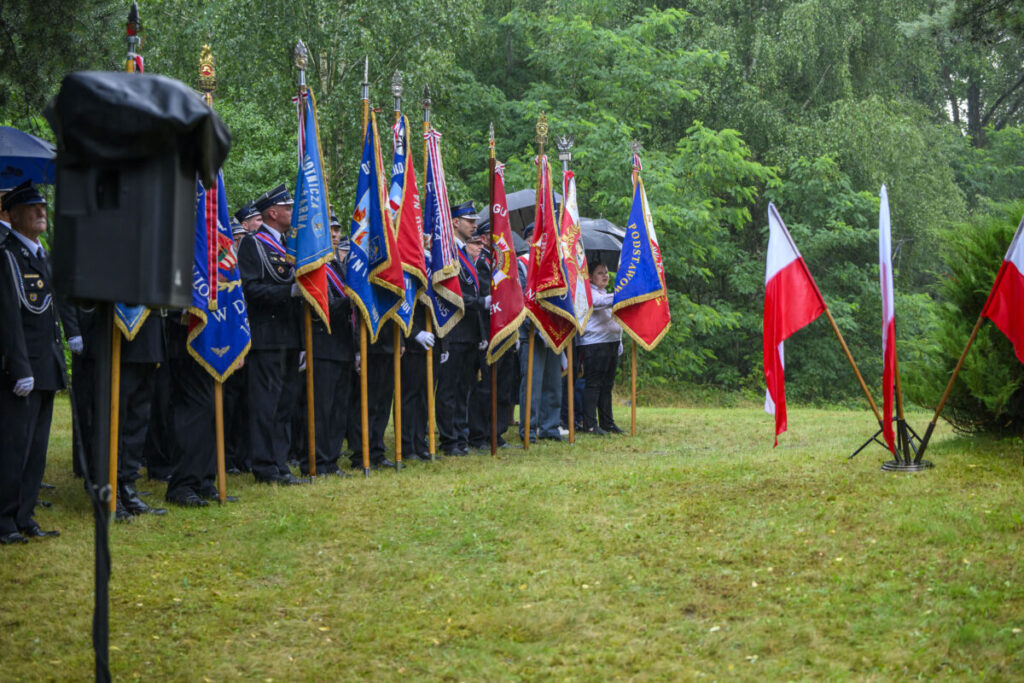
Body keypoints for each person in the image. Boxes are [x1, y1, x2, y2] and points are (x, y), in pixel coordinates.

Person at [0, 180, 64, 543]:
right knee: (14, 448)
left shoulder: (41, 253)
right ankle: (5, 520)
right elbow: (9, 317)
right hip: (22, 368)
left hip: (46, 363)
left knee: (37, 449)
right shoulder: (7, 255)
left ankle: (25, 515)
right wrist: (19, 367)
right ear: (11, 215)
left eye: (42, 206)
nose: (41, 212)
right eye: (31, 207)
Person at [237, 184, 308, 485]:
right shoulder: (253, 245)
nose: (293, 212)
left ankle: (280, 464)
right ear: (272, 212)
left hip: (290, 335)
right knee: (266, 404)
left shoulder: (291, 245)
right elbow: (250, 289)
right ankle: (264, 466)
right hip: (266, 337)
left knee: (285, 403)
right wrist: (288, 291)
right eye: (288, 208)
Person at [436, 201, 490, 455]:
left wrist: (480, 332)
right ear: (455, 222)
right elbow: (449, 293)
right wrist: (481, 302)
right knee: (449, 389)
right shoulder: (447, 253)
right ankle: (448, 439)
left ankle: (459, 434)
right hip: (453, 330)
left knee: (464, 387)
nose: (474, 225)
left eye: (475, 220)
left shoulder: (465, 254)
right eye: (469, 220)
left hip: (469, 332)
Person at [578, 262, 623, 434]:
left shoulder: (605, 293)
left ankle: (607, 422)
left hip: (610, 342)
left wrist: (619, 341)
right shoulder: (587, 292)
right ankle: (590, 424)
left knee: (607, 385)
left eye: (606, 272)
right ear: (590, 276)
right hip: (595, 344)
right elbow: (597, 303)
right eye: (600, 273)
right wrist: (623, 294)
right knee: (594, 384)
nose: (605, 276)